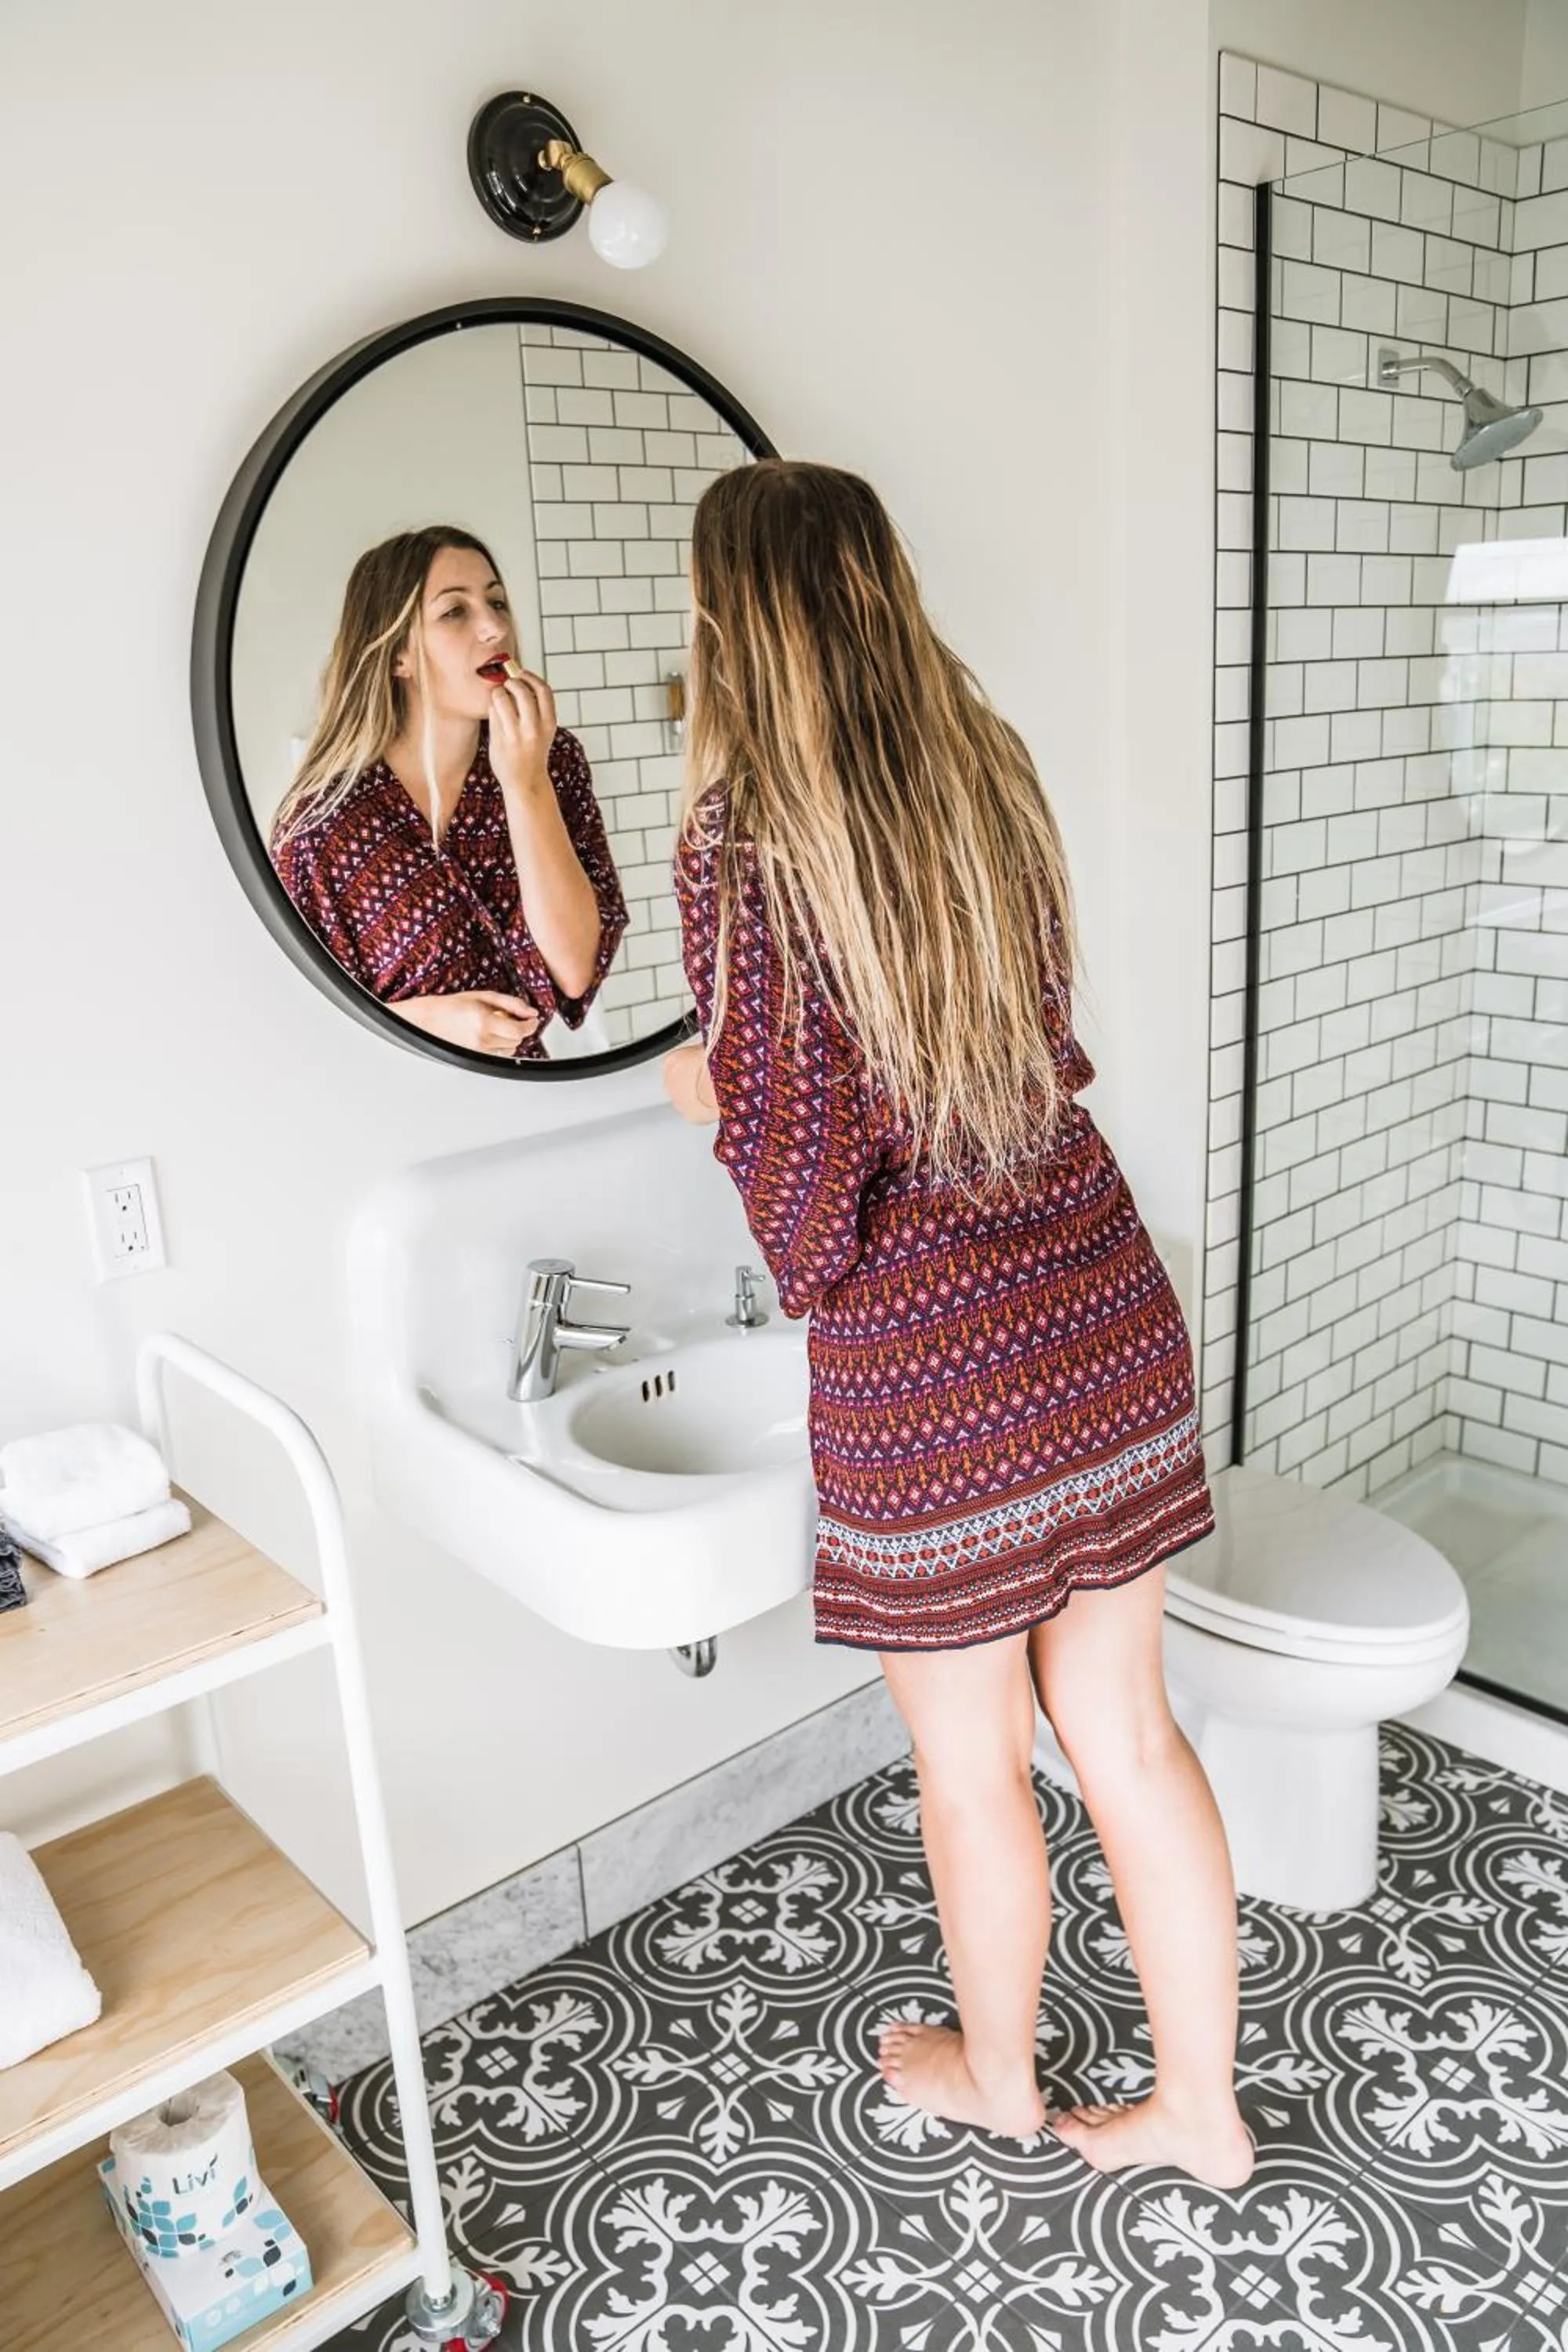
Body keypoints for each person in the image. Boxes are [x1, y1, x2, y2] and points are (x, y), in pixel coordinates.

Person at [662, 460, 1254, 2189]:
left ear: (731, 622)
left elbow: (806, 1163)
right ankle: (1199, 2113)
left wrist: (707, 1102)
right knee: (1127, 1735)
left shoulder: (740, 843)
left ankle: (1002, 2079)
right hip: (1100, 1301)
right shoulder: (985, 767)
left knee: (973, 1768)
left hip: (937, 1369)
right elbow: (1022, 1037)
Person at [271, 527, 627, 1060]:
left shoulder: (553, 760)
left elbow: (574, 972)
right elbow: (298, 1024)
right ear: (398, 655)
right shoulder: (322, 826)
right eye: (455, 612)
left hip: (530, 1092)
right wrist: (422, 1022)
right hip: (398, 1101)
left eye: (497, 602)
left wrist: (526, 782)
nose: (495, 627)